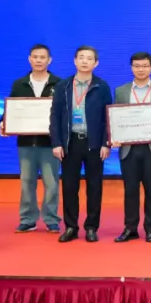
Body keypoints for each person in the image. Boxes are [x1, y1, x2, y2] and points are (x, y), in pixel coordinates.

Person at [49, 46, 113, 243]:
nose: (85, 61)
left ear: (96, 63)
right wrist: (56, 142)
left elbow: (108, 117)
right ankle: (71, 227)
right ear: (75, 61)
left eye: (89, 58)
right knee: (70, 187)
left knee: (94, 187)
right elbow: (55, 116)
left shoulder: (102, 86)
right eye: (81, 57)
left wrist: (106, 143)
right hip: (70, 143)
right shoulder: (63, 86)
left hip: (94, 143)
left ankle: (91, 227)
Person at [112, 52, 151, 243]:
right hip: (129, 148)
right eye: (137, 66)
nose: (141, 69)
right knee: (130, 191)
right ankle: (130, 228)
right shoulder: (121, 91)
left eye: (145, 66)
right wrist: (115, 135)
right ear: (131, 68)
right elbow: (115, 117)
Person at [0, 44, 61, 234]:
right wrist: (3, 121)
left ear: (49, 60)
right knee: (27, 182)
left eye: (42, 57)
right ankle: (28, 219)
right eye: (35, 57)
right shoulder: (19, 84)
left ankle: (51, 219)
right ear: (29, 59)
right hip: (26, 143)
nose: (38, 60)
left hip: (50, 144)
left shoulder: (59, 84)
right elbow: (13, 109)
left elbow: (63, 112)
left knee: (52, 183)